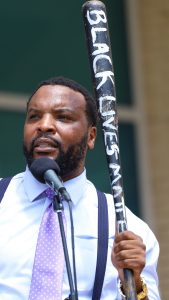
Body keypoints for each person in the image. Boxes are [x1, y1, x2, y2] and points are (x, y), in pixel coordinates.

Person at [0, 76, 160, 299]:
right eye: (34, 116)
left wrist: (132, 286)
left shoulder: (125, 227)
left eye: (63, 117)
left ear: (91, 136)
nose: (44, 125)